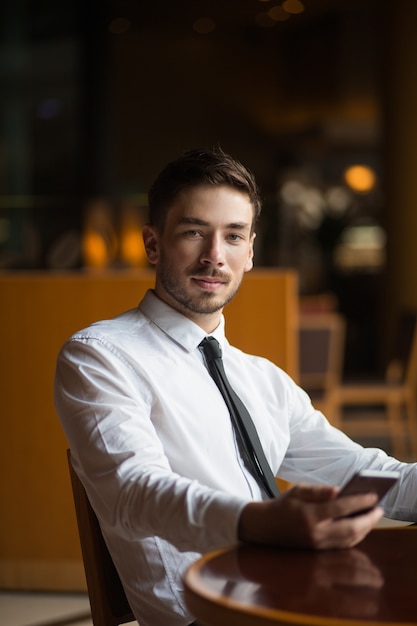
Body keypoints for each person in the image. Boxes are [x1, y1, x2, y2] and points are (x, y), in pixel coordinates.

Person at [54, 147, 417, 626]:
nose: (213, 256)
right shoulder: (99, 355)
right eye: (193, 232)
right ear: (153, 243)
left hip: (294, 596)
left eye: (232, 236)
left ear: (250, 253)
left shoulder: (262, 378)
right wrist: (260, 522)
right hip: (203, 615)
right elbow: (133, 494)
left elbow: (363, 472)